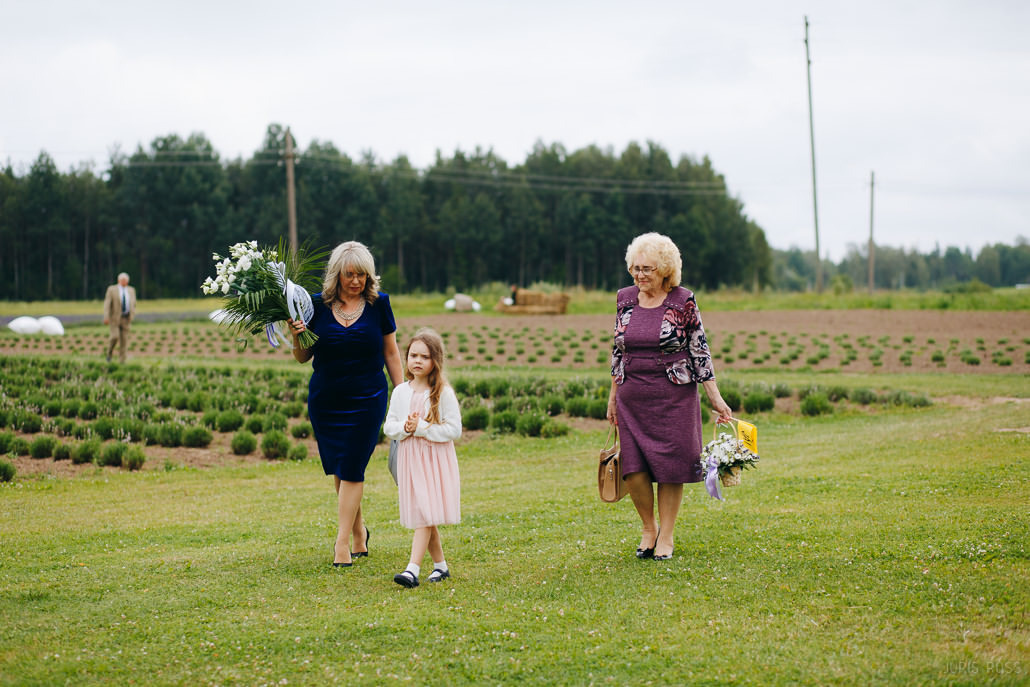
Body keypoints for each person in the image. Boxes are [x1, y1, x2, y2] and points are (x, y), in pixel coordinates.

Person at [606, 232, 733, 561]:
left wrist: (715, 398)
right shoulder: (624, 299)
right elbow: (617, 354)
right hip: (632, 396)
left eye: (647, 268)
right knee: (633, 468)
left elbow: (699, 351)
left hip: (674, 396)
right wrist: (612, 398)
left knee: (670, 467)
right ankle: (648, 528)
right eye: (635, 268)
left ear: (665, 269)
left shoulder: (682, 301)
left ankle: (667, 534)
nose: (640, 275)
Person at [287, 241, 404, 568]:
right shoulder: (315, 306)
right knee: (341, 466)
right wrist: (297, 335)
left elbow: (391, 353)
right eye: (350, 275)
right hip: (327, 399)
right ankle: (358, 535)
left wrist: (403, 393)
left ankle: (341, 545)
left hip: (368, 398)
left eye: (362, 275)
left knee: (352, 464)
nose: (356, 281)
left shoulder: (379, 304)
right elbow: (302, 357)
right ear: (337, 274)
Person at [383, 328, 462, 587]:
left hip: (434, 460)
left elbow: (454, 430)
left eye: (424, 357)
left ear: (435, 361)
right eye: (413, 355)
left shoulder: (442, 393)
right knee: (423, 513)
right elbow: (389, 426)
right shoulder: (400, 392)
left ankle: (412, 570)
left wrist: (421, 429)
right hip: (410, 458)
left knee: (425, 514)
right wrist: (405, 429)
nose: (417, 360)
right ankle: (441, 566)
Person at [103, 272, 136, 362]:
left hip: (126, 318)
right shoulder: (112, 290)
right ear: (119, 280)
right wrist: (106, 316)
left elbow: (133, 303)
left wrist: (133, 314)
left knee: (124, 340)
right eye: (122, 280)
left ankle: (122, 361)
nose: (124, 282)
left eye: (125, 280)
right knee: (115, 337)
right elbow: (107, 304)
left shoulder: (131, 290)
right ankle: (109, 354)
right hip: (114, 318)